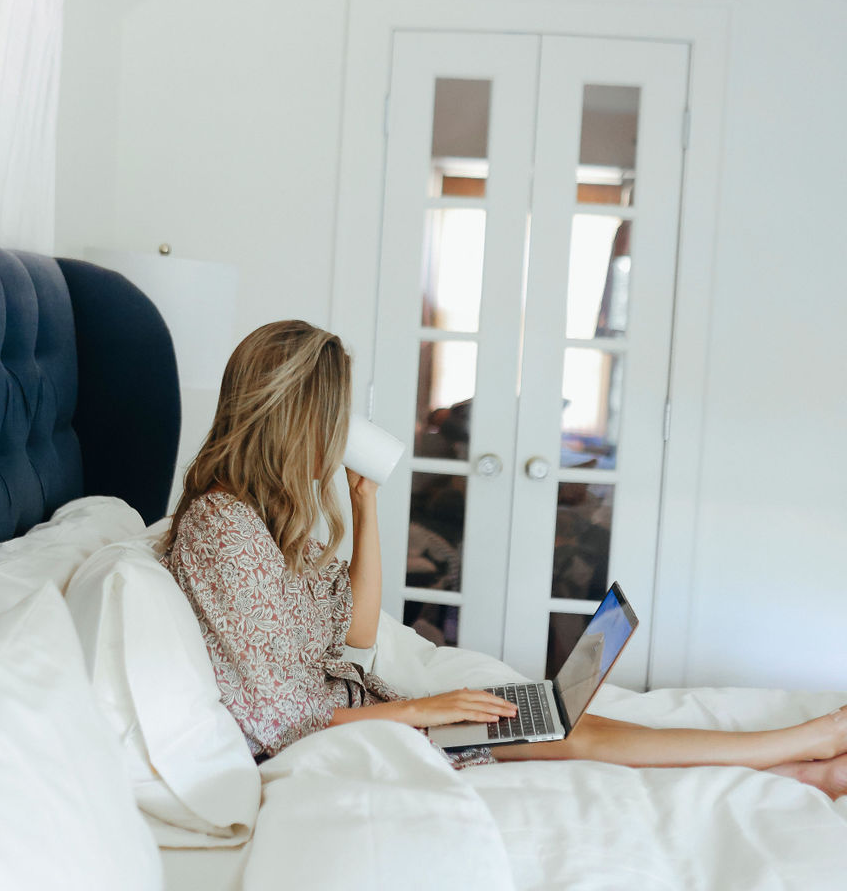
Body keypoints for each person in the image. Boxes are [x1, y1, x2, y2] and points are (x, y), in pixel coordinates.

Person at [159, 320, 847, 798]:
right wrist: (422, 711)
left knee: (560, 720)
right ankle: (801, 745)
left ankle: (797, 765)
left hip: (364, 711)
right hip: (344, 736)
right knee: (572, 735)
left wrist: (365, 505)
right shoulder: (224, 529)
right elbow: (285, 720)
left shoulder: (260, 514)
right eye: (332, 417)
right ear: (292, 418)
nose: (340, 435)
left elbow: (357, 635)